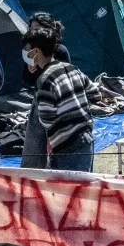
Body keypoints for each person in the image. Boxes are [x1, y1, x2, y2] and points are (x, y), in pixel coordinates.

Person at [21, 18, 95, 173]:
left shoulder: (45, 80)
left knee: (69, 192)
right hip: (86, 138)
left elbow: (47, 120)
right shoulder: (71, 67)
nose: (25, 53)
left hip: (67, 146)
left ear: (36, 52)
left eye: (27, 50)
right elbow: (94, 93)